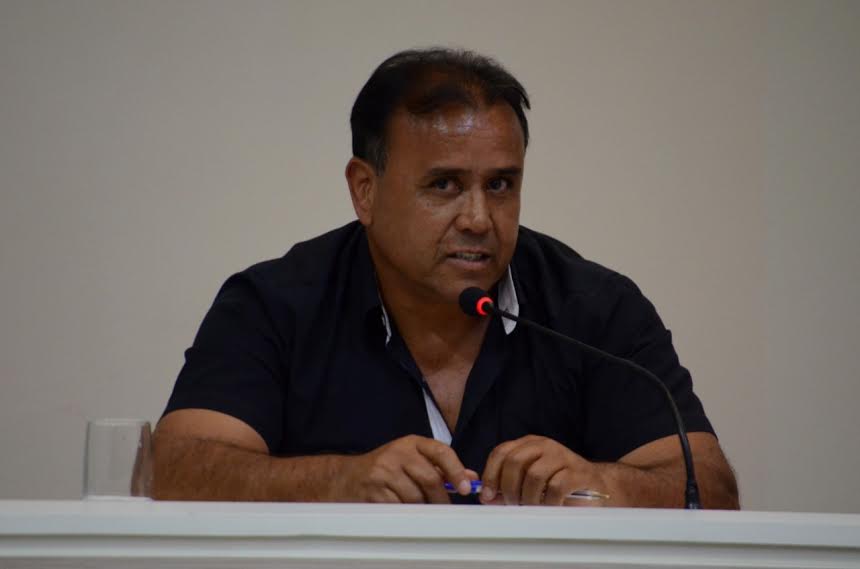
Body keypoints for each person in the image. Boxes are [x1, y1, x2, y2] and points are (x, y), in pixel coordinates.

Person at [153, 48, 739, 508]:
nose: (479, 219)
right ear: (365, 190)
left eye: (500, 185)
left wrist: (602, 484)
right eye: (445, 185)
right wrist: (340, 481)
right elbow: (172, 470)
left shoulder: (594, 310)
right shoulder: (275, 305)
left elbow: (710, 489)